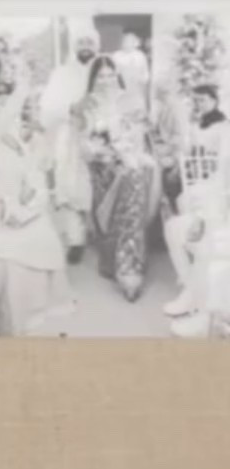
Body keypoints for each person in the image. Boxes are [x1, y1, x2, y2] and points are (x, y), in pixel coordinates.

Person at [0, 91, 72, 337]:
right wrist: (19, 92)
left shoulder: (13, 141)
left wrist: (29, 198)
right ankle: (6, 326)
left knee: (43, 235)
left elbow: (30, 178)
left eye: (6, 107)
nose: (4, 112)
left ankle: (31, 318)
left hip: (16, 207)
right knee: (3, 255)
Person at [81, 55, 159, 302]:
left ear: (118, 76)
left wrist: (129, 153)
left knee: (132, 197)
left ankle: (130, 270)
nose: (106, 80)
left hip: (131, 162)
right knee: (107, 218)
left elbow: (142, 135)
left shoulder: (131, 99)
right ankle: (111, 262)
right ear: (93, 78)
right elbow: (82, 142)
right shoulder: (85, 104)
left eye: (111, 75)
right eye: (101, 76)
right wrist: (103, 153)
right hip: (101, 164)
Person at [163, 83, 230, 336]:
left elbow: (221, 169)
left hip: (218, 199)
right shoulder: (195, 125)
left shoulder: (224, 128)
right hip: (208, 189)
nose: (200, 104)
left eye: (204, 99)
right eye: (196, 100)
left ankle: (203, 307)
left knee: (207, 237)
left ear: (215, 100)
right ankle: (190, 287)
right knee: (173, 226)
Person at [40, 24, 99, 261]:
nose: (85, 47)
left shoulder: (105, 68)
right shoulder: (61, 73)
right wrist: (72, 108)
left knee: (100, 183)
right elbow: (48, 106)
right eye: (81, 42)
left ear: (97, 46)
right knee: (71, 184)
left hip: (99, 133)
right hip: (69, 134)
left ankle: (103, 236)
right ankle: (76, 240)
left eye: (90, 42)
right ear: (75, 46)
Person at [114, 29, 151, 108]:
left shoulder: (140, 56)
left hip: (137, 89)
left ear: (135, 42)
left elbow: (145, 74)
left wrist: (141, 81)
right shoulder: (116, 55)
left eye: (130, 41)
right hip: (121, 89)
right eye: (125, 40)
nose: (126, 43)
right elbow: (114, 73)